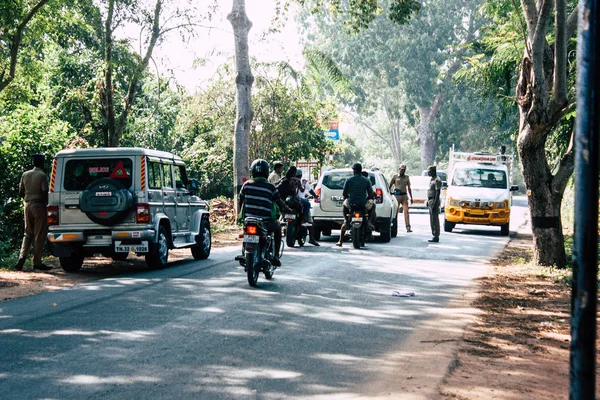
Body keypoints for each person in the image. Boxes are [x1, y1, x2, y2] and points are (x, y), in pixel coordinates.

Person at [239, 159, 292, 266]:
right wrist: (288, 209)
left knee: (246, 232)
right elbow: (279, 202)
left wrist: (241, 216)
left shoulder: (246, 185)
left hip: (248, 220)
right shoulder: (271, 187)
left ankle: (244, 251)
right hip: (265, 222)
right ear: (267, 172)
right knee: (277, 227)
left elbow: (241, 200)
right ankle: (276, 256)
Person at [14, 154, 52, 271]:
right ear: (42, 163)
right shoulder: (42, 175)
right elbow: (45, 191)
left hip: (27, 204)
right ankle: (37, 262)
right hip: (38, 205)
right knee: (39, 234)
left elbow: (21, 192)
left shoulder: (25, 174)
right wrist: (47, 205)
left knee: (27, 232)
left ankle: (22, 256)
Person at [336, 163, 375, 247]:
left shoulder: (349, 180)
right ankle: (369, 222)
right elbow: (371, 194)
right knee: (373, 205)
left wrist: (348, 197)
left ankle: (345, 222)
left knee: (344, 205)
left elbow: (344, 194)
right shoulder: (366, 180)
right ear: (361, 170)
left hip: (351, 205)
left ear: (354, 170)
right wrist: (368, 198)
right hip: (363, 205)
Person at [296, 169, 320, 246]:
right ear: (301, 175)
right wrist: (316, 196)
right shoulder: (302, 181)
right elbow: (307, 191)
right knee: (310, 221)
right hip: (300, 202)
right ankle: (311, 238)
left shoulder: (290, 180)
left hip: (291, 202)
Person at [389, 164, 413, 232]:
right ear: (399, 169)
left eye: (404, 170)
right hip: (397, 196)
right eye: (401, 169)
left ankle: (408, 227)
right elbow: (390, 185)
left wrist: (411, 197)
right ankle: (393, 226)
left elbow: (409, 188)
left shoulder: (407, 177)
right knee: (395, 212)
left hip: (404, 196)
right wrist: (389, 193)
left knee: (406, 212)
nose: (403, 171)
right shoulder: (395, 177)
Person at [426, 165, 442, 243]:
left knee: (435, 219)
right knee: (432, 219)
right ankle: (434, 234)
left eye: (429, 172)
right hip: (431, 200)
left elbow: (437, 192)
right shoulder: (432, 179)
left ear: (433, 171)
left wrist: (435, 204)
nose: (428, 173)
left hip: (434, 201)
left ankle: (436, 235)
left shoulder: (437, 180)